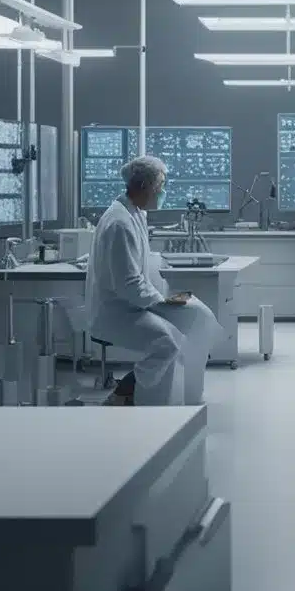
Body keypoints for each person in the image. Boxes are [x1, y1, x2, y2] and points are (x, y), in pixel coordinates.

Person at [86, 155, 223, 406]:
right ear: (143, 187)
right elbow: (128, 283)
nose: (163, 191)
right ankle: (126, 395)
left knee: (184, 331)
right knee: (167, 343)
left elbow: (137, 272)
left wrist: (164, 300)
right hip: (116, 313)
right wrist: (161, 302)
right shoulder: (119, 223)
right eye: (160, 186)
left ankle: (159, 397)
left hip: (130, 305)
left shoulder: (135, 214)